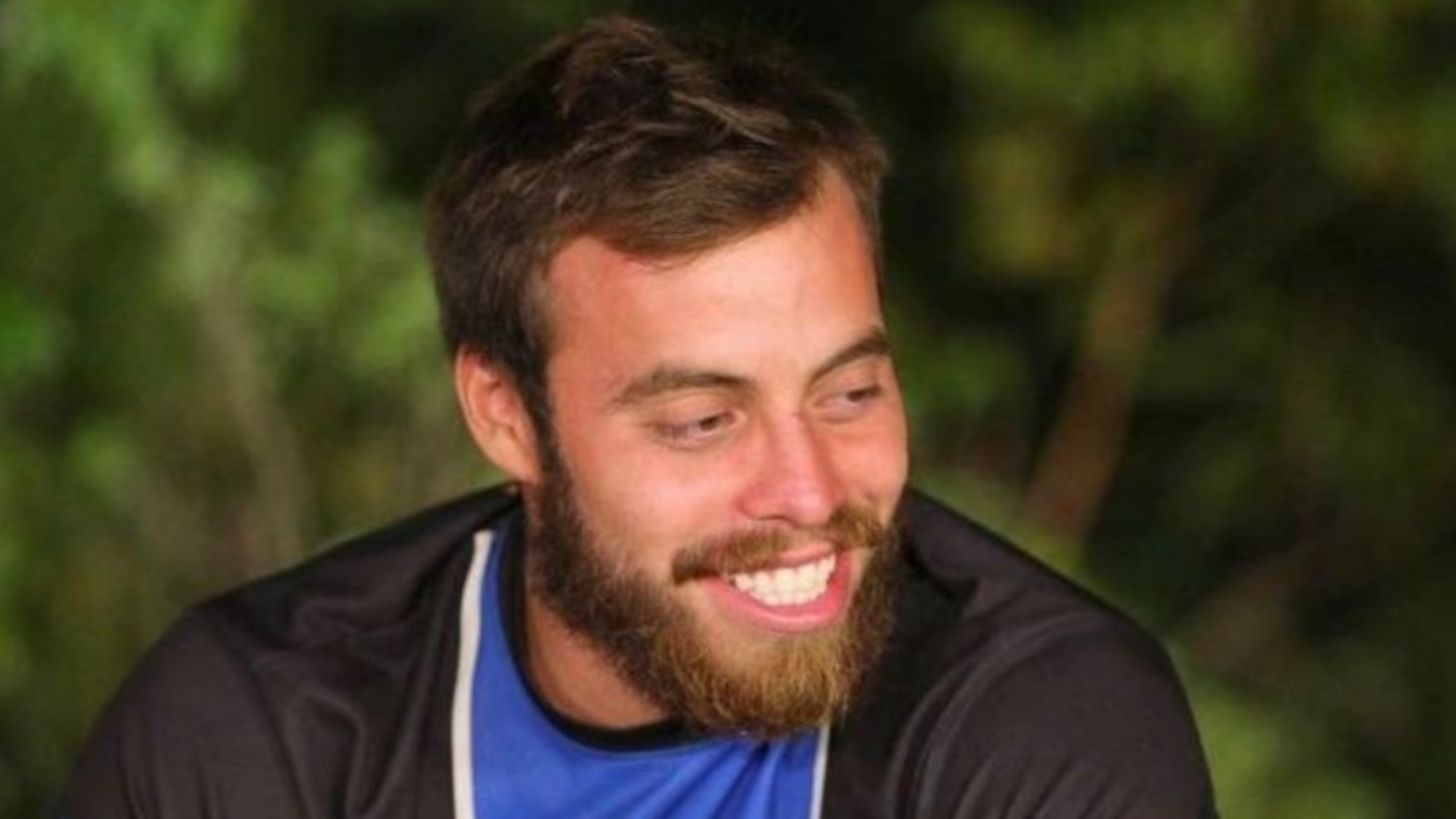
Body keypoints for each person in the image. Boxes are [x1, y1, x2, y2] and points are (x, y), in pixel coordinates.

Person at [56, 16, 1217, 819]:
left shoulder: (1041, 722)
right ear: (506, 418)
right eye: (703, 421)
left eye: (848, 394)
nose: (809, 492)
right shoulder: (259, 733)